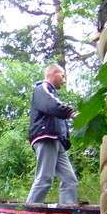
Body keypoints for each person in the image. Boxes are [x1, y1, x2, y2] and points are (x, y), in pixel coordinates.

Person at [26, 64, 79, 205]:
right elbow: (51, 105)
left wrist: (65, 139)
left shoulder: (52, 93)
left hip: (57, 140)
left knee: (70, 180)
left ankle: (67, 210)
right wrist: (71, 113)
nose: (64, 80)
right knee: (44, 178)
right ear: (53, 73)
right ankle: (30, 210)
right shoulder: (42, 88)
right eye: (62, 76)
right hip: (46, 137)